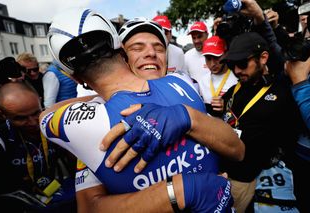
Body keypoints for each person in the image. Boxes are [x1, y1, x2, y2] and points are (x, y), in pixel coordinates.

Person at [40, 8, 244, 212]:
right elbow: (89, 207)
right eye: (138, 47)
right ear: (122, 55)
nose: (151, 53)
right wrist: (176, 192)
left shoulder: (185, 85)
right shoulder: (92, 121)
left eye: (159, 47)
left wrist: (186, 116)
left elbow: (238, 150)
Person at [219, 31, 301, 213]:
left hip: (256, 180)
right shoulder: (234, 89)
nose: (237, 71)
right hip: (225, 175)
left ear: (263, 58)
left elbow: (292, 138)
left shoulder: (283, 93)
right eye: (232, 65)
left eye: (242, 63)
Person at [0, 81, 76, 212]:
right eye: (20, 118)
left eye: (36, 113)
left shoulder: (55, 124)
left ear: (40, 101)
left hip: (59, 193)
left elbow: (76, 164)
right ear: (2, 114)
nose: (32, 122)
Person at [200, 35, 238, 116]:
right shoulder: (202, 81)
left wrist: (227, 106)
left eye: (216, 57)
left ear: (226, 54)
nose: (212, 64)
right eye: (208, 59)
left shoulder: (237, 79)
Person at [184, 21, 210, 93]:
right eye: (193, 38)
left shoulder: (215, 54)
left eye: (199, 37)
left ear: (207, 35)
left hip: (216, 100)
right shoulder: (187, 56)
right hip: (196, 100)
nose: (196, 41)